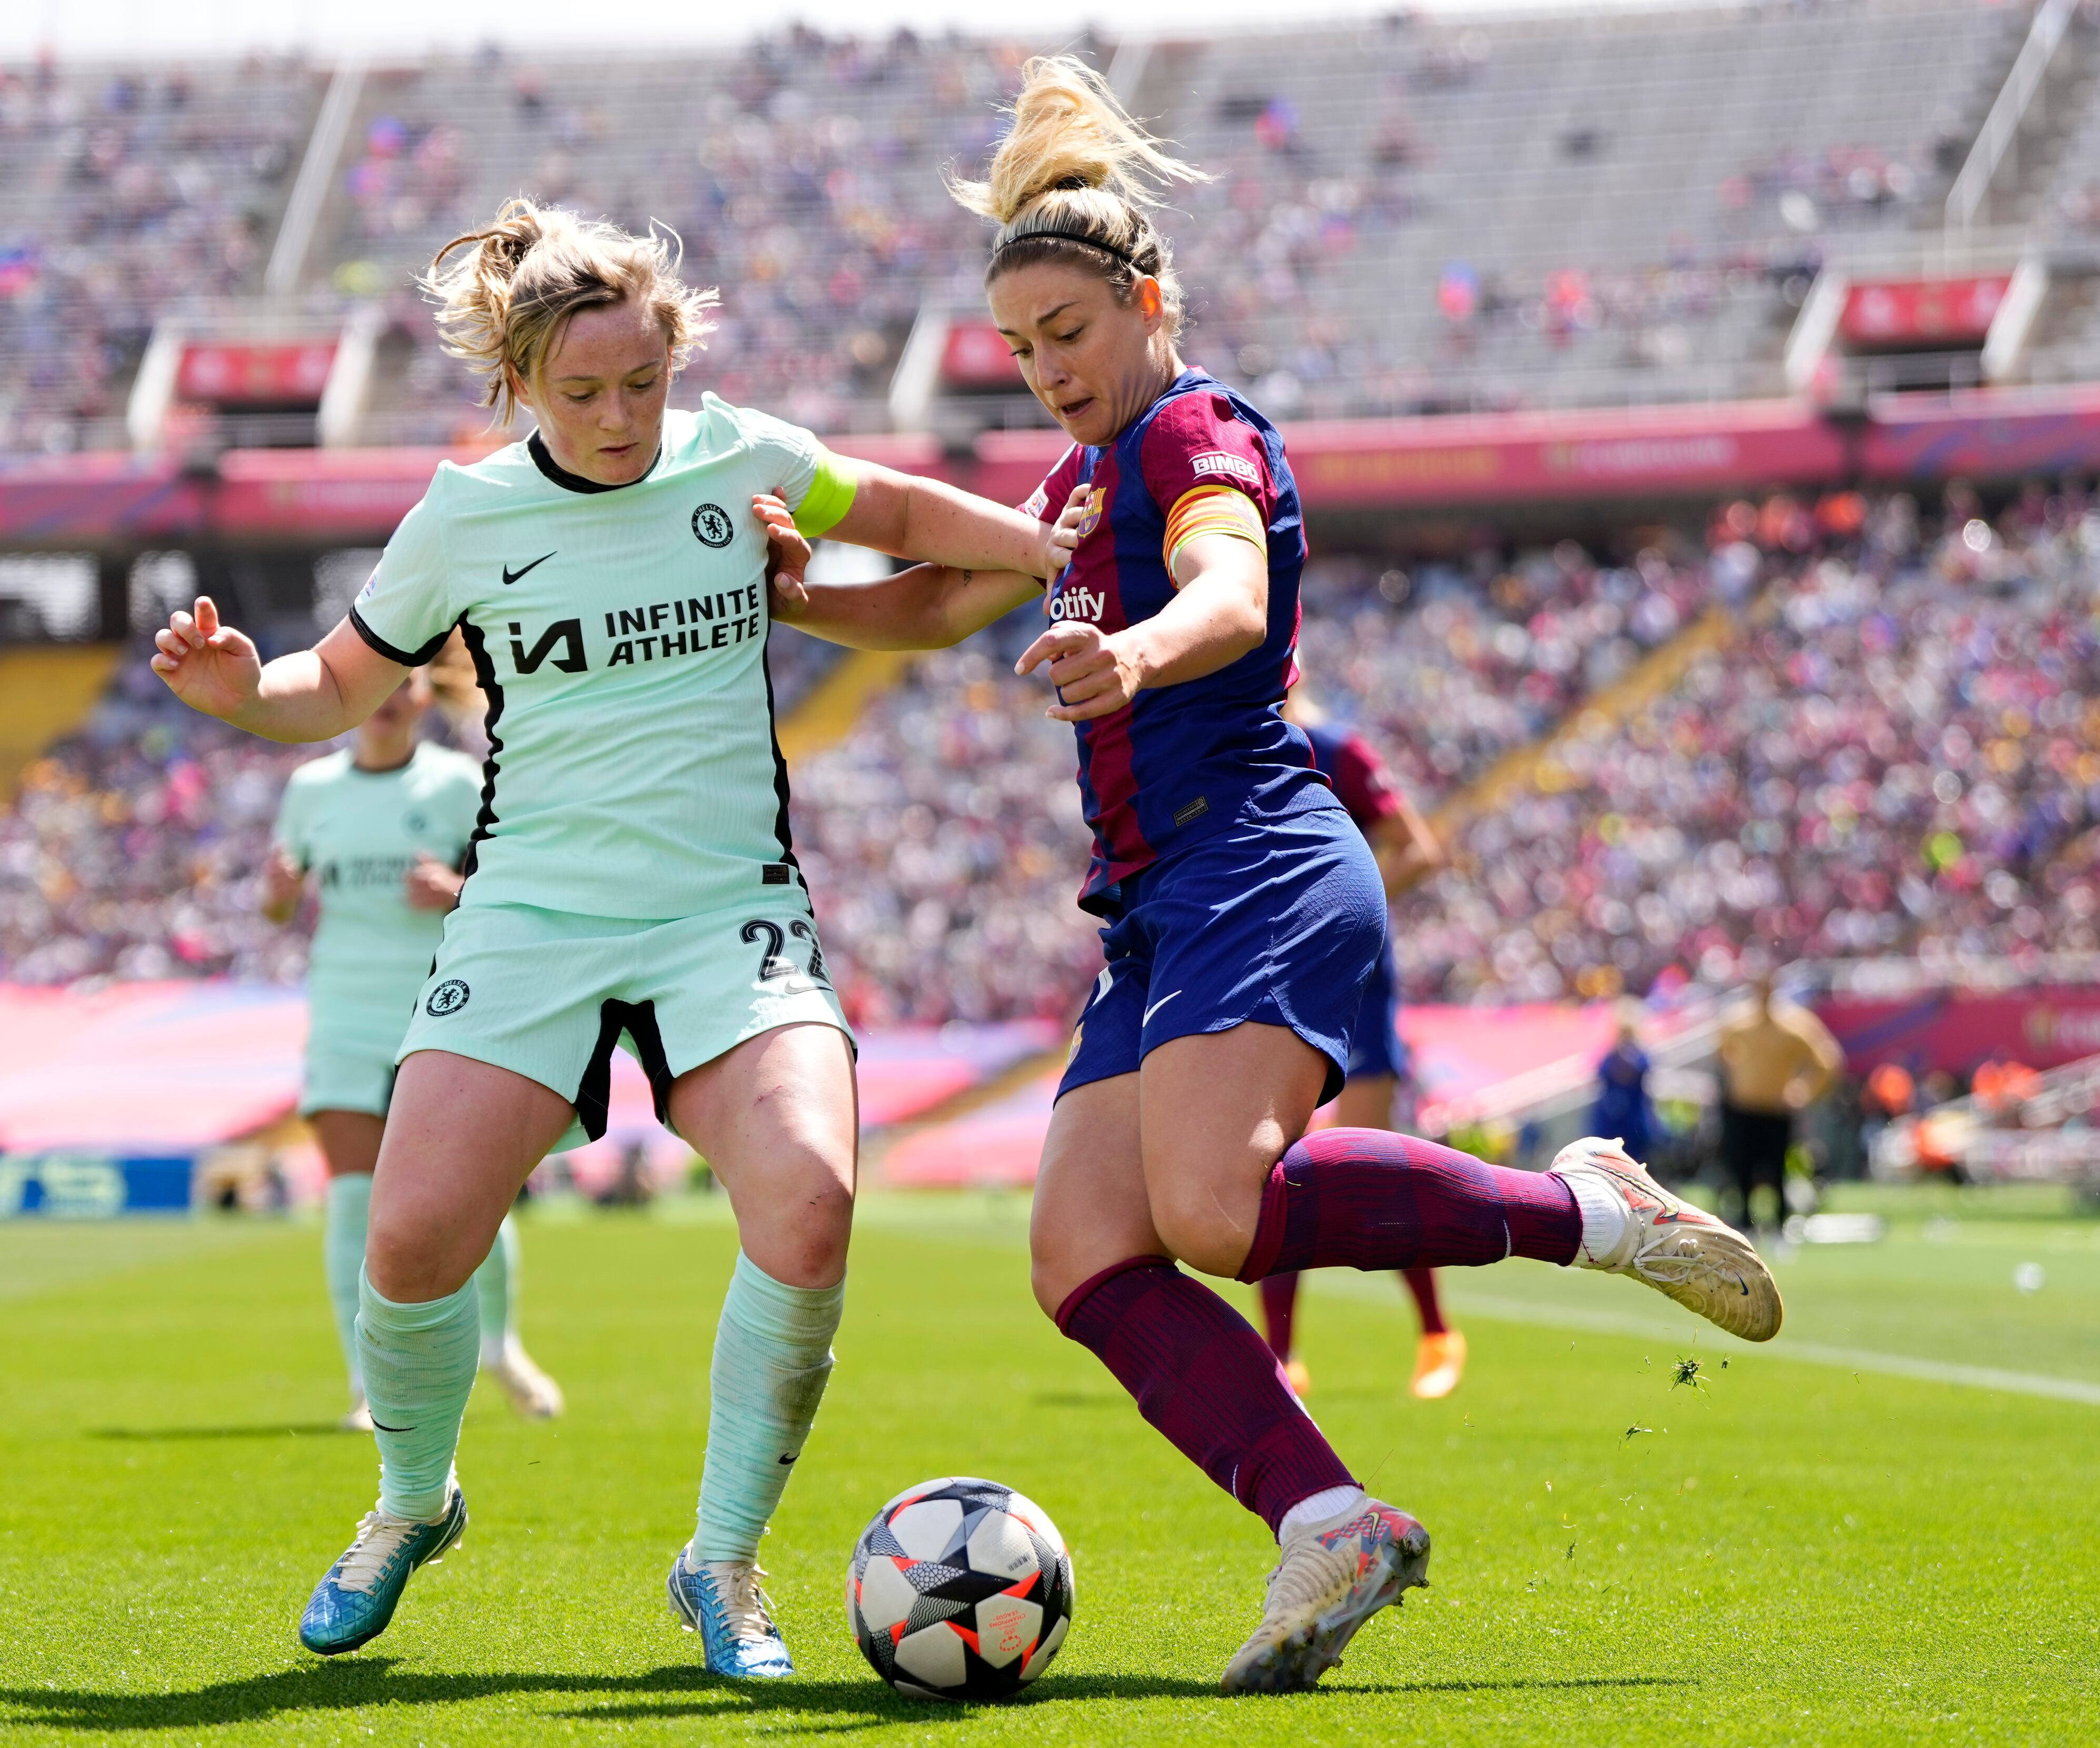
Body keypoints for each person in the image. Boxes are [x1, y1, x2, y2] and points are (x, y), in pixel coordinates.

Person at [756, 55, 1783, 1695]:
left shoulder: (1194, 428)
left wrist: (1139, 656)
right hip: (1153, 907)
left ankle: (1587, 1209)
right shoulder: (1076, 478)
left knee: (1211, 1212)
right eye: (1018, 351)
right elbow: (940, 603)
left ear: (1150, 301)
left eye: (1066, 337)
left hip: (1257, 857)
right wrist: (796, 599)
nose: (1043, 374)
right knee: (1083, 1256)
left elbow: (1226, 590)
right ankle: (1327, 1521)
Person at [152, 197, 1070, 1677]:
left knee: (815, 1200)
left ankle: (721, 1562)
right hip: (532, 910)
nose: (618, 416)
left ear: (674, 357)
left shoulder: (738, 456)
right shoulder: (462, 514)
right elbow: (328, 689)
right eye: (580, 393)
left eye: (640, 382)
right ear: (516, 382)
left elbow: (897, 516)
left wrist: (1042, 544)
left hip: (727, 911)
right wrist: (242, 690)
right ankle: (411, 1501)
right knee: (409, 1236)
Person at [264, 664, 563, 1434]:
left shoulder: (460, 783)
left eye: (407, 682)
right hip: (345, 1010)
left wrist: (458, 887)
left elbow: (521, 883)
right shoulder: (311, 790)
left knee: (470, 1194)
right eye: (380, 682)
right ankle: (369, 1385)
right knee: (355, 1198)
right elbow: (278, 906)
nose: (392, 696)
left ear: (427, 697)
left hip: (443, 1009)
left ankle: (501, 1346)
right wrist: (279, 891)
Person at [1256, 698, 1464, 1401]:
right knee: (1270, 1163)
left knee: (1370, 1161)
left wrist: (1344, 901)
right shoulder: (1221, 736)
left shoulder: (1336, 749)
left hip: (1355, 970)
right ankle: (1283, 1358)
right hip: (1273, 969)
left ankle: (1436, 1331)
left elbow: (1421, 848)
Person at [1715, 960, 1844, 1234]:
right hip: (1742, 1108)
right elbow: (1723, 1054)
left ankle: (1779, 1224)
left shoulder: (1793, 1023)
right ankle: (1744, 1222)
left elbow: (1827, 1061)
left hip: (1775, 1110)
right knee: (1741, 1169)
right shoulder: (1737, 1020)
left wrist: (1804, 1091)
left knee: (1776, 1169)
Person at [1588, 1013, 1663, 1164]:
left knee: (1638, 1160)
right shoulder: (1611, 1056)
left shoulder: (1640, 1055)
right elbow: (1600, 1074)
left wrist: (1629, 1060)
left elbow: (1645, 1070)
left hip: (1635, 1118)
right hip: (1611, 1118)